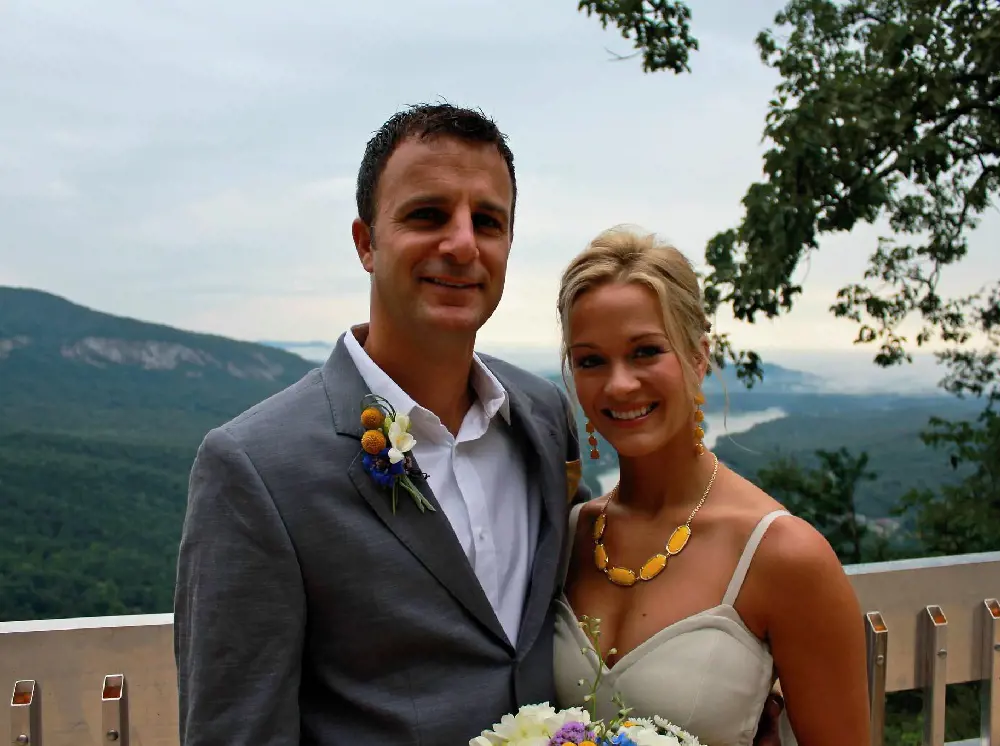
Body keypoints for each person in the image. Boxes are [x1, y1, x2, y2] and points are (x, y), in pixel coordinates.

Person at [173, 103, 786, 746]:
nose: (462, 244)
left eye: (487, 221)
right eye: (427, 215)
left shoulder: (542, 417)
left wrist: (733, 677)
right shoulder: (254, 467)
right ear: (365, 242)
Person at [552, 226, 871, 745]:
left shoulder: (783, 555)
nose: (619, 384)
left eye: (645, 351)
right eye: (591, 360)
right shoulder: (569, 538)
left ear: (699, 356)